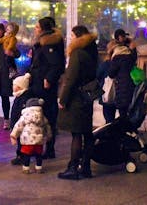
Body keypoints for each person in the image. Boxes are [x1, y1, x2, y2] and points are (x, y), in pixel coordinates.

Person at [56, 25, 98, 180]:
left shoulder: (77, 53)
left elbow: (70, 78)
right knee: (87, 132)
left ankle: (73, 167)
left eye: (72, 36)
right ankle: (85, 166)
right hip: (87, 96)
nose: (70, 39)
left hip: (76, 98)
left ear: (78, 37)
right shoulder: (91, 51)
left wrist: (63, 99)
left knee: (76, 133)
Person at [27, 16, 65, 159]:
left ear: (43, 29)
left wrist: (48, 78)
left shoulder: (49, 43)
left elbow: (56, 64)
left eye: (37, 27)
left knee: (47, 114)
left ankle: (47, 148)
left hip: (43, 85)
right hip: (38, 82)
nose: (35, 29)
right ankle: (40, 147)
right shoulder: (41, 43)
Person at [9, 97, 53, 174]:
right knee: (38, 155)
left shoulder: (25, 116)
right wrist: (49, 136)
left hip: (27, 141)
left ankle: (26, 168)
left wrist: (13, 136)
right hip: (39, 141)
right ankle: (39, 167)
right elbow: (47, 126)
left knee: (26, 155)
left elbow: (18, 126)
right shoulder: (42, 116)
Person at [103, 28, 136, 122]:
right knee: (125, 113)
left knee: (121, 113)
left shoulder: (118, 57)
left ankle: (120, 132)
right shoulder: (130, 54)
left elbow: (111, 73)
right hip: (129, 86)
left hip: (121, 87)